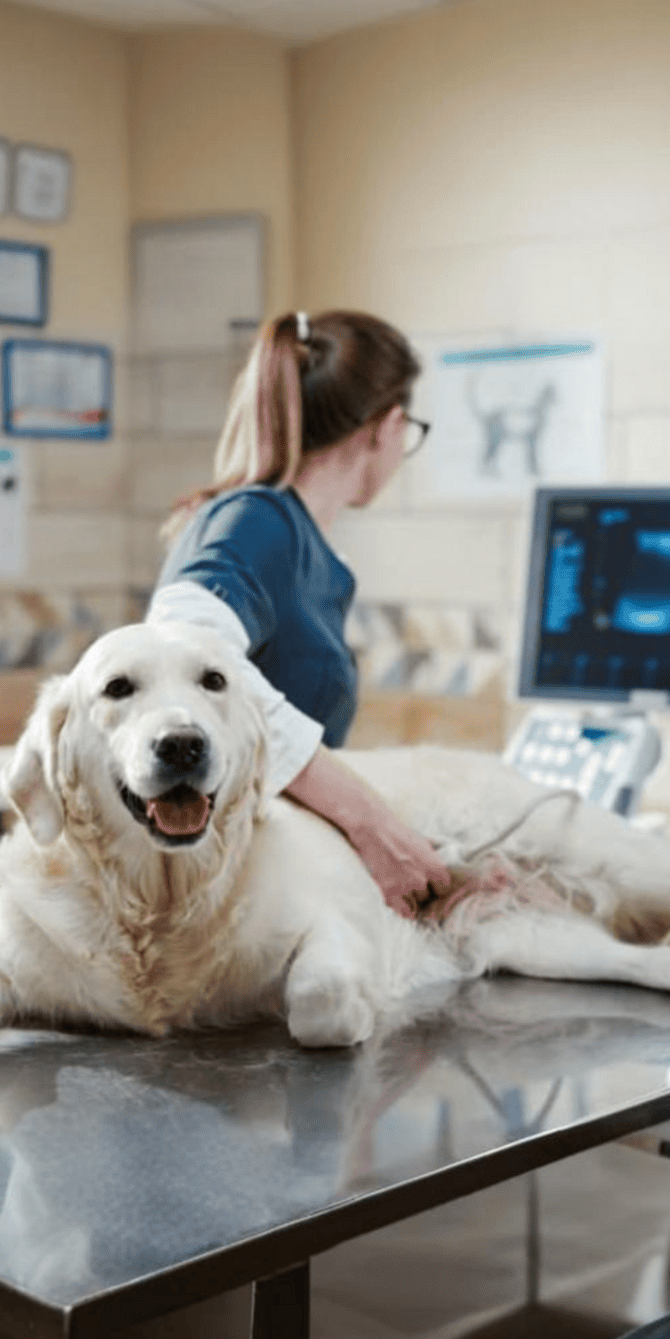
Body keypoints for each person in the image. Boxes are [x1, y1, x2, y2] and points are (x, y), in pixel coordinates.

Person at [148, 308, 452, 918]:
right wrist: (369, 823)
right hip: (227, 899)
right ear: (387, 426)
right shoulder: (258, 522)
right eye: (409, 431)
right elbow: (177, 657)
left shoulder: (298, 542)